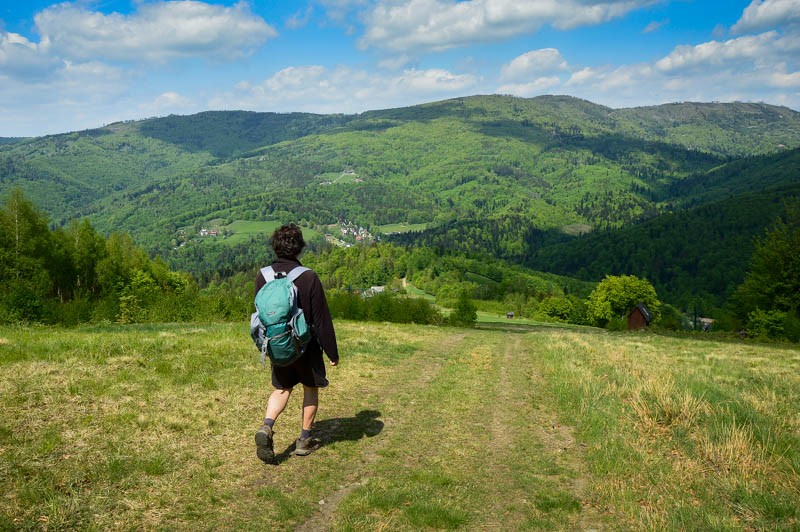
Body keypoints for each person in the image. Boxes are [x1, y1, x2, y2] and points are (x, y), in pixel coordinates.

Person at [254, 224, 339, 463]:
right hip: (306, 346)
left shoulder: (264, 275)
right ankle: (304, 440)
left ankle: (267, 426)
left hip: (278, 345)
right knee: (310, 389)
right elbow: (321, 320)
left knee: (282, 388)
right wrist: (332, 352)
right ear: (299, 247)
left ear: (275, 246)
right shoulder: (309, 277)